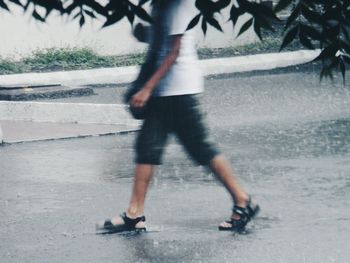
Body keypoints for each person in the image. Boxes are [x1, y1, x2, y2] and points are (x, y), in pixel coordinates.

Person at [97, 0, 259, 233]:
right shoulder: (161, 5)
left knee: (200, 148)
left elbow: (174, 51)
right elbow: (163, 40)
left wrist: (147, 89)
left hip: (179, 89)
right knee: (147, 148)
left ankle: (243, 199)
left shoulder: (178, 5)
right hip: (165, 91)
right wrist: (145, 34)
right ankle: (134, 213)